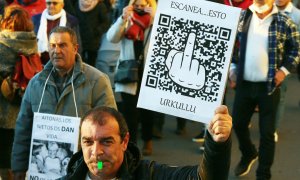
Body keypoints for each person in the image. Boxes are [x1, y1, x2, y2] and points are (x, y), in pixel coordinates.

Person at [11, 26, 117, 179]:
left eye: (62, 45)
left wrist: (101, 169)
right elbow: (23, 129)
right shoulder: (36, 83)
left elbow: (109, 132)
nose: (57, 51)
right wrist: (18, 167)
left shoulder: (97, 81)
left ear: (75, 48)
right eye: (53, 45)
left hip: (85, 171)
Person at [60, 105, 232, 180]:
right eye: (88, 142)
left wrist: (217, 144)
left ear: (125, 141)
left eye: (106, 141)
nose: (96, 152)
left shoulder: (148, 175)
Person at [229, 0, 300, 179]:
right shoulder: (242, 17)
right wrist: (232, 70)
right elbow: (231, 45)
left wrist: (283, 71)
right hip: (244, 85)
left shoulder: (284, 21)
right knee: (237, 124)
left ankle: (263, 174)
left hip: (268, 87)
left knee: (267, 134)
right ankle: (248, 153)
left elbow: (297, 49)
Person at [107, 0, 156, 155]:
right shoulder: (127, 18)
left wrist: (155, 16)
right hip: (129, 72)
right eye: (137, 4)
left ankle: (148, 140)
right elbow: (111, 37)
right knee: (130, 112)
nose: (140, 8)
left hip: (148, 72)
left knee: (148, 110)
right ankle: (132, 146)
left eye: (144, 4)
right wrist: (122, 18)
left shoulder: (156, 20)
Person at [0, 5, 39, 180]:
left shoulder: (2, 46)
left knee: (3, 160)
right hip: (23, 110)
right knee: (16, 156)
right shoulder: (32, 45)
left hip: (2, 113)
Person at [274, 0, 300, 141]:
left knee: (280, 97)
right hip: (267, 62)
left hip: (285, 65)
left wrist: (286, 68)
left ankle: (273, 129)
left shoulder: (297, 15)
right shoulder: (268, 10)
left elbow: (298, 46)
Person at [32, 0, 81, 64]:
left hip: (63, 61)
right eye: (49, 3)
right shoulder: (35, 19)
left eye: (55, 3)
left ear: (62, 5)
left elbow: (76, 44)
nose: (51, 6)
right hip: (40, 61)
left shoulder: (71, 21)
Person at [71, 0, 110, 66]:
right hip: (80, 39)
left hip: (93, 40)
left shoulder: (100, 5)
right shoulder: (77, 4)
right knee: (78, 62)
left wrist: (97, 31)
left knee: (91, 63)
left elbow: (106, 22)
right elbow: (74, 19)